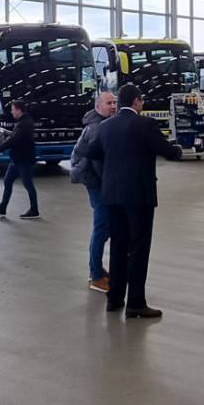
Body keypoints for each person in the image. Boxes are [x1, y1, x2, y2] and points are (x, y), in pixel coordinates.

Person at [83, 85, 183, 319]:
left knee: (118, 245)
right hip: (139, 196)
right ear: (137, 102)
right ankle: (136, 303)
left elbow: (91, 152)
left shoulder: (106, 126)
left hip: (112, 196)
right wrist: (178, 149)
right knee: (138, 247)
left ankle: (114, 298)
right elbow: (167, 151)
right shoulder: (145, 125)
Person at [70, 90, 117, 292]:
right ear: (98, 107)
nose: (113, 106)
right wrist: (109, 185)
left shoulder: (102, 123)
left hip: (95, 181)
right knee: (101, 227)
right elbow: (97, 163)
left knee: (104, 228)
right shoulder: (98, 127)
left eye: (114, 102)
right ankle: (96, 276)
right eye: (108, 103)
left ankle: (97, 269)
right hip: (96, 183)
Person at [0, 99, 40, 218]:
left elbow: (15, 139)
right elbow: (15, 137)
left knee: (28, 184)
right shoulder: (23, 122)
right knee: (8, 181)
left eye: (13, 109)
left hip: (24, 159)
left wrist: (0, 148)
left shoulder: (24, 123)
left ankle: (34, 210)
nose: (11, 112)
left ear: (18, 110)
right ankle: (2, 207)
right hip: (18, 159)